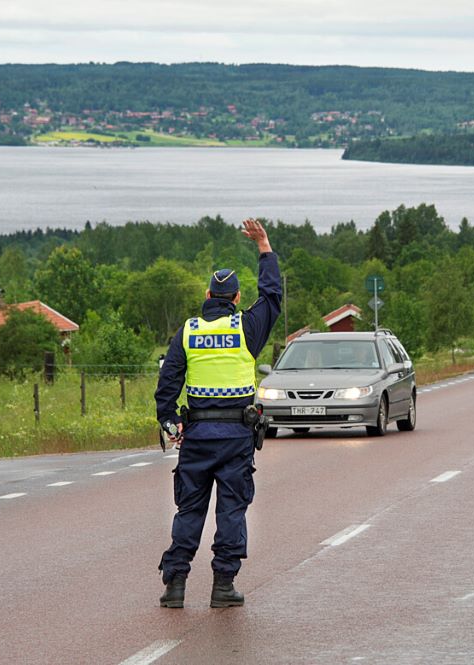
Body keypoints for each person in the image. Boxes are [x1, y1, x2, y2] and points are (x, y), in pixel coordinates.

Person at [154, 218, 281, 609]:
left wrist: (170, 419)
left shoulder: (188, 332)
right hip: (236, 439)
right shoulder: (247, 328)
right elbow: (273, 297)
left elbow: (169, 381)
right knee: (230, 510)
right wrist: (264, 246)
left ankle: (175, 586)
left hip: (196, 438)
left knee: (190, 510)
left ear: (208, 294)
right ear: (237, 298)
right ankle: (223, 586)